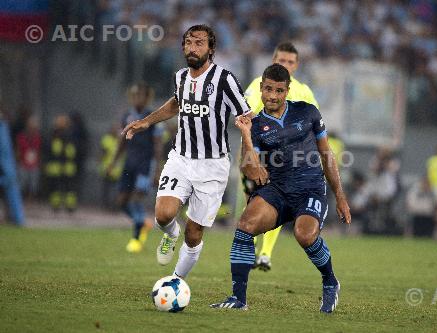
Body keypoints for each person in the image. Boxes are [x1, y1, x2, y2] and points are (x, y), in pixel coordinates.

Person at [210, 64, 350, 313]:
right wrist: (245, 134)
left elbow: (327, 155)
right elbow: (250, 170)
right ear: (261, 88)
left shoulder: (308, 113)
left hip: (310, 190)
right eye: (267, 89)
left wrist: (340, 196)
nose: (272, 96)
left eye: (278, 90)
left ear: (287, 91)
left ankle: (330, 282)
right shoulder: (255, 123)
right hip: (278, 191)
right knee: (244, 227)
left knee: (305, 235)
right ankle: (238, 299)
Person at [122, 25, 251, 278]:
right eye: (189, 43)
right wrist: (146, 121)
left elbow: (246, 117)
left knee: (194, 234)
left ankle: (175, 281)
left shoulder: (225, 80)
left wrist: (251, 156)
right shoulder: (180, 76)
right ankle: (170, 234)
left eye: (199, 43)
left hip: (213, 165)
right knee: (163, 215)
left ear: (211, 49)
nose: (193, 48)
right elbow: (176, 103)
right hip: (180, 157)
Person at [243, 42, 320, 271]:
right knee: (252, 198)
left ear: (296, 65)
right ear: (273, 60)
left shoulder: (303, 91)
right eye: (281, 60)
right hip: (258, 152)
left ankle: (265, 254)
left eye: (289, 61)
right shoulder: (260, 84)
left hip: (287, 159)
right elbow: (246, 111)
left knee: (275, 199)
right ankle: (250, 245)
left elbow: (314, 122)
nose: (285, 64)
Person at [108, 82, 162, 253]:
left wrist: (158, 168)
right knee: (122, 202)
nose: (138, 98)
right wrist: (113, 162)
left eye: (141, 95)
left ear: (147, 97)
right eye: (135, 95)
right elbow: (122, 142)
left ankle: (136, 239)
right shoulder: (127, 116)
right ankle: (142, 223)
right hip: (129, 164)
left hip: (144, 165)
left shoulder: (152, 117)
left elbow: (158, 145)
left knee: (136, 199)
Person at [44, 115, 78, 212]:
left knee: (68, 188)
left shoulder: (64, 136)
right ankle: (58, 206)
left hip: (65, 166)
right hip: (59, 166)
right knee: (58, 188)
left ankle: (68, 206)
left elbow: (71, 151)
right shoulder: (56, 136)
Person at [16, 115, 42, 200]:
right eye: (31, 127)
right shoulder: (21, 137)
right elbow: (18, 149)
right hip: (23, 162)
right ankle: (21, 197)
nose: (33, 130)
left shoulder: (38, 137)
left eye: (34, 128)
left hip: (34, 163)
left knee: (33, 183)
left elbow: (39, 150)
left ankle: (30, 197)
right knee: (22, 182)